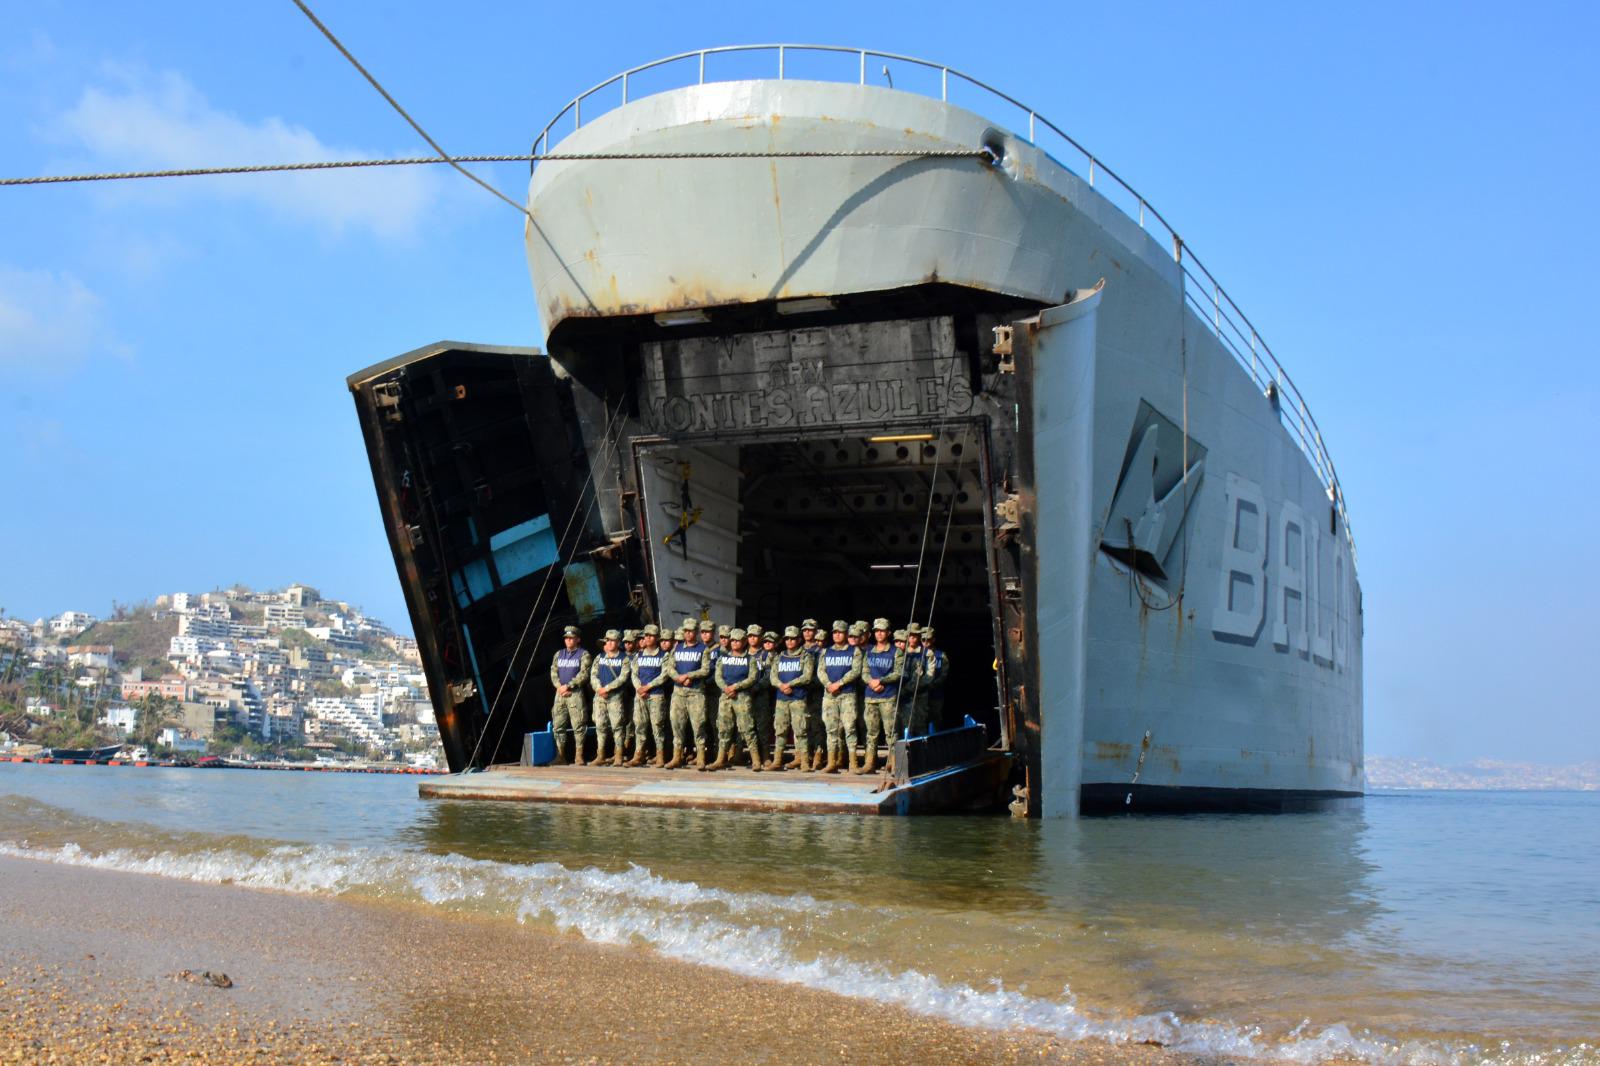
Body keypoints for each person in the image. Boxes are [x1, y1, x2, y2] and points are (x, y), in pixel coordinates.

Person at [706, 628, 762, 772]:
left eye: (738, 640)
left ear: (744, 642)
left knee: (747, 728)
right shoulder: (723, 658)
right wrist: (725, 688)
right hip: (725, 697)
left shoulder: (750, 659)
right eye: (733, 640)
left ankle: (756, 760)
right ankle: (720, 759)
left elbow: (752, 678)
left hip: (742, 697)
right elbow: (718, 676)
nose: (735, 643)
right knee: (723, 728)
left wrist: (736, 687)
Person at [665, 618, 713, 769]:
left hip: (696, 693)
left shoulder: (703, 649)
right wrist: (678, 677)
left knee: (698, 726)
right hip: (678, 693)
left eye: (691, 631)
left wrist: (688, 675)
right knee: (676, 725)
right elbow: (669, 668)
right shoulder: (677, 648)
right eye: (686, 631)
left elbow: (706, 670)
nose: (688, 633)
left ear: (696, 632)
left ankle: (701, 757)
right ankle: (677, 757)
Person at [859, 618, 905, 776]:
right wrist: (871, 682)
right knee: (871, 733)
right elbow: (864, 672)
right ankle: (869, 763)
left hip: (888, 697)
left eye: (882, 631)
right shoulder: (869, 651)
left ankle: (895, 764)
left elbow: (898, 673)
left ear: (888, 633)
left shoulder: (896, 652)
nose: (879, 633)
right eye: (877, 631)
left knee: (891, 732)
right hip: (871, 696)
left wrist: (881, 681)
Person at [818, 620, 864, 774]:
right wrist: (828, 684)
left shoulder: (854, 651)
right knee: (831, 729)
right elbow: (820, 671)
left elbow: (856, 671)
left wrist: (839, 683)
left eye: (840, 632)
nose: (837, 635)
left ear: (846, 634)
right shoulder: (825, 652)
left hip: (847, 694)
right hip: (829, 696)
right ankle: (832, 762)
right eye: (835, 632)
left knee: (849, 728)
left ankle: (853, 763)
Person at [769, 625, 814, 771]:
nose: (789, 641)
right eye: (787, 638)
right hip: (781, 699)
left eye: (793, 638)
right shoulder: (779, 656)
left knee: (800, 730)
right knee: (780, 730)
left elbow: (807, 676)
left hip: (798, 699)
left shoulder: (806, 656)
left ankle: (804, 761)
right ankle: (777, 761)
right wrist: (781, 685)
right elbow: (773, 677)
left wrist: (790, 684)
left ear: (799, 640)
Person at [547, 625, 591, 765]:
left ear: (578, 639)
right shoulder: (559, 654)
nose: (568, 640)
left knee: (578, 725)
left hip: (575, 693)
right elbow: (553, 672)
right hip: (560, 693)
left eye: (571, 638)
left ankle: (579, 755)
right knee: (558, 725)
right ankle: (560, 756)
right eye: (566, 638)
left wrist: (569, 685)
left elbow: (584, 674)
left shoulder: (584, 654)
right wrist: (559, 686)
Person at [589, 630, 632, 766]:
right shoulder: (600, 657)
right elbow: (593, 675)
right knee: (600, 725)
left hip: (615, 697)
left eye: (613, 640)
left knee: (617, 726)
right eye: (608, 640)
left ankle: (618, 755)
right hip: (599, 696)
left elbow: (623, 678)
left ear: (618, 642)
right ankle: (600, 755)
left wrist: (607, 688)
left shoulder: (624, 659)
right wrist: (599, 688)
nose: (610, 643)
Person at [629, 624, 669, 766]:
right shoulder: (638, 655)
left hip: (656, 695)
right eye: (646, 635)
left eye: (651, 636)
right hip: (640, 696)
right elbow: (634, 674)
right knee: (639, 725)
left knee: (657, 726)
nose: (648, 638)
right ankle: (638, 755)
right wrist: (639, 688)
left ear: (657, 638)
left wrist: (648, 686)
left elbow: (664, 675)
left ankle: (660, 755)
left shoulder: (664, 655)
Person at [800, 618, 827, 770]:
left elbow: (823, 673)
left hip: (816, 692)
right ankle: (802, 755)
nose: (807, 633)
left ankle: (818, 754)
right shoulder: (798, 650)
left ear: (816, 632)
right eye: (805, 630)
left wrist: (809, 682)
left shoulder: (822, 652)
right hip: (799, 693)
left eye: (810, 630)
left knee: (817, 725)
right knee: (801, 725)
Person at [758, 629, 783, 769]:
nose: (767, 644)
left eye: (770, 642)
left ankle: (766, 755)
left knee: (765, 726)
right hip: (756, 694)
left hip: (770, 694)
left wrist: (757, 686)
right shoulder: (758, 655)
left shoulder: (778, 657)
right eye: (765, 642)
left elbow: (770, 677)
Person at [901, 623, 931, 738]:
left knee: (920, 724)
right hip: (904, 695)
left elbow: (929, 676)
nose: (912, 638)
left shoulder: (927, 653)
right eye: (910, 635)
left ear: (919, 637)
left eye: (915, 635)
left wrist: (913, 687)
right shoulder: (901, 653)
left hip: (920, 694)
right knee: (905, 725)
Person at [921, 626, 949, 728]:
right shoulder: (917, 654)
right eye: (923, 639)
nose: (926, 642)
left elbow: (944, 674)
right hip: (920, 694)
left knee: (935, 718)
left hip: (936, 694)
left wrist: (933, 684)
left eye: (928, 639)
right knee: (920, 719)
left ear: (933, 639)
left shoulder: (941, 655)